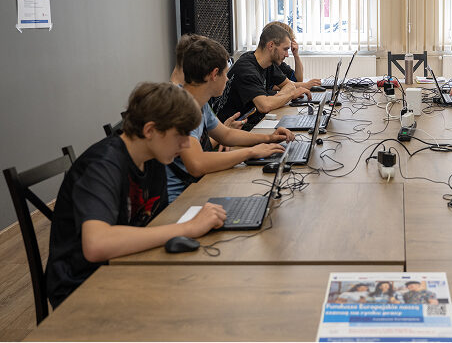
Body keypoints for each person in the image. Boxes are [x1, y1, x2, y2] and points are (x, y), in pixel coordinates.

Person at [45, 82, 227, 308]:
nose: (184, 145)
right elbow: (96, 245)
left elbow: (155, 222)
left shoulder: (153, 158)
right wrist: (188, 228)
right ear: (150, 130)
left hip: (127, 263)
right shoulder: (102, 165)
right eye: (180, 135)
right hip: (83, 285)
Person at [166, 36, 294, 202]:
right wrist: (251, 152)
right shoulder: (182, 107)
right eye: (225, 74)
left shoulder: (199, 103)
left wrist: (270, 138)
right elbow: (197, 164)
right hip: (181, 200)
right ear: (214, 74)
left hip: (198, 186)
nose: (227, 80)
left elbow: (226, 134)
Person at [216, 23, 311, 125]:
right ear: (271, 45)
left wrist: (276, 99)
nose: (287, 55)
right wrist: (290, 95)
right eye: (285, 49)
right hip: (231, 130)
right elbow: (264, 106)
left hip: (252, 121)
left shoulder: (269, 64)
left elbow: (289, 85)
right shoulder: (246, 68)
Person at [270, 21, 322, 89]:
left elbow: (298, 79)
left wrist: (296, 54)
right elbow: (273, 87)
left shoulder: (278, 64)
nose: (287, 55)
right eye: (285, 49)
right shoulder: (264, 65)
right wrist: (305, 85)